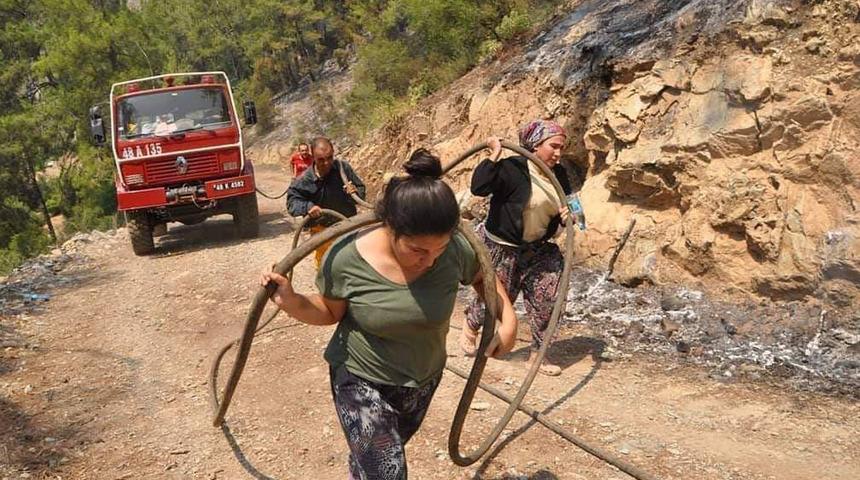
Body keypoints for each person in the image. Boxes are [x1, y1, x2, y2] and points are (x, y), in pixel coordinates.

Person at [262, 149, 518, 480]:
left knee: (378, 461)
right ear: (390, 228)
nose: (430, 261)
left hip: (421, 379)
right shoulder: (345, 259)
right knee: (388, 472)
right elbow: (328, 311)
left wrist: (508, 320)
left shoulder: (453, 247)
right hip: (360, 379)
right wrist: (290, 299)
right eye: (418, 251)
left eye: (438, 251)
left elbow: (482, 276)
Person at [461, 119, 574, 376]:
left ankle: (537, 355)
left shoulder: (560, 175)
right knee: (495, 300)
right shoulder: (512, 168)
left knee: (550, 298)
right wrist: (494, 156)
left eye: (562, 148)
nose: (558, 153)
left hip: (538, 249)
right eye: (553, 146)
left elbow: (573, 205)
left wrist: (572, 216)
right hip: (502, 245)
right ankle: (470, 326)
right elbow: (478, 187)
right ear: (535, 145)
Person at [287, 136, 367, 267]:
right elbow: (292, 204)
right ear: (313, 157)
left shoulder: (343, 169)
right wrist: (308, 207)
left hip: (348, 225)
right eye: (321, 160)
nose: (327, 163)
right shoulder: (304, 180)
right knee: (327, 268)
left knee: (355, 266)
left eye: (330, 157)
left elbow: (361, 190)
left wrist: (354, 192)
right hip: (322, 232)